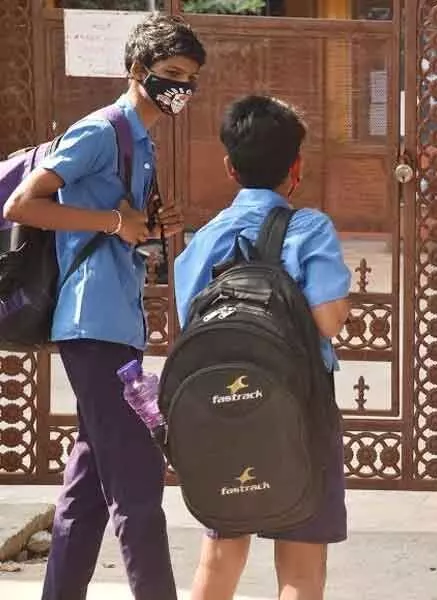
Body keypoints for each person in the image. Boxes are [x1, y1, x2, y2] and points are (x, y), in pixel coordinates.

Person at [3, 14, 205, 599]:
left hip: (114, 321)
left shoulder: (140, 141)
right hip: (92, 322)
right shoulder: (100, 130)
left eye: (190, 79)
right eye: (171, 75)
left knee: (86, 491)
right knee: (138, 486)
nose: (180, 90)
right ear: (138, 71)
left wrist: (144, 227)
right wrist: (117, 221)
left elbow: (120, 229)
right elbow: (22, 204)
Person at [173, 95, 352, 600]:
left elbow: (190, 326)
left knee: (220, 555)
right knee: (300, 562)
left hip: (218, 412)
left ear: (229, 166)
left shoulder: (205, 238)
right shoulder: (308, 227)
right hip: (299, 409)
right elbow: (329, 320)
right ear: (296, 166)